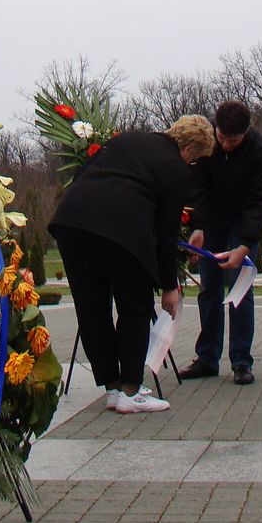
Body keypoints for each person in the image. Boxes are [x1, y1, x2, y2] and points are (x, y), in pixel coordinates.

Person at [50, 114, 214, 413]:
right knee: (135, 307)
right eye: (195, 158)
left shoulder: (127, 139)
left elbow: (85, 172)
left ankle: (112, 388)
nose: (192, 163)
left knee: (92, 309)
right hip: (121, 231)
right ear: (190, 149)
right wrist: (169, 286)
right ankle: (131, 390)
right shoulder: (176, 168)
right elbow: (167, 232)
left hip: (71, 222)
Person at [178, 99, 262, 385]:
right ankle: (207, 358)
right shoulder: (206, 143)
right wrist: (198, 226)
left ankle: (241, 361)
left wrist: (245, 244)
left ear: (245, 132)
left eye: (233, 140)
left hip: (243, 224)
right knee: (209, 289)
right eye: (221, 137)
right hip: (211, 224)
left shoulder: (260, 151)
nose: (225, 144)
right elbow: (196, 188)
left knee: (240, 289)